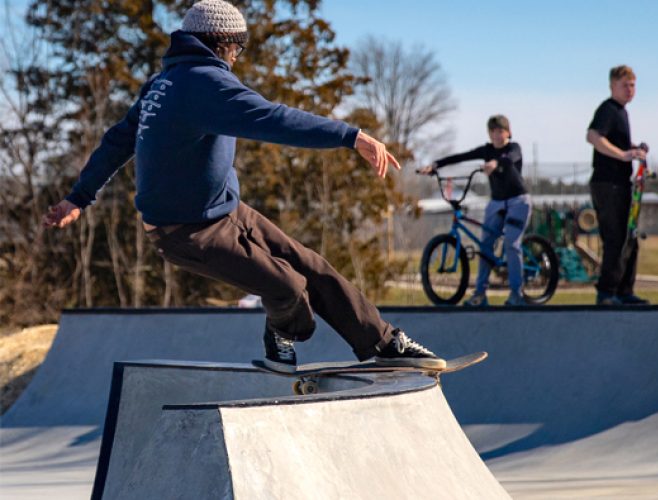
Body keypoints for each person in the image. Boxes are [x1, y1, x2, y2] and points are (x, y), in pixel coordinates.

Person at [42, 0, 442, 372]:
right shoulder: (206, 85)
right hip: (186, 233)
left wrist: (78, 197)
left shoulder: (163, 83)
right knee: (287, 287)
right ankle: (282, 333)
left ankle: (386, 343)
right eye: (238, 50)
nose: (237, 59)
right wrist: (350, 135)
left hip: (226, 210)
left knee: (314, 268)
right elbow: (275, 119)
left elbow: (117, 141)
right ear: (224, 45)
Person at [418, 115, 530, 306]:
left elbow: (510, 159)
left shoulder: (514, 148)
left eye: (500, 132)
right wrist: (435, 165)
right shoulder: (486, 150)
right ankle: (479, 294)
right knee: (485, 245)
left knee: (511, 243)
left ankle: (516, 294)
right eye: (493, 132)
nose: (497, 135)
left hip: (518, 201)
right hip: (496, 202)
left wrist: (495, 164)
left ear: (508, 133)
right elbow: (461, 156)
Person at [586, 65, 649, 306]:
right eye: (624, 85)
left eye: (632, 85)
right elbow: (593, 136)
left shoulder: (622, 112)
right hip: (607, 183)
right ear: (612, 86)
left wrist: (634, 149)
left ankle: (624, 290)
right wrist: (623, 155)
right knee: (615, 238)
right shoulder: (608, 109)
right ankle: (607, 292)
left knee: (629, 237)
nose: (629, 89)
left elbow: (616, 143)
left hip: (622, 184)